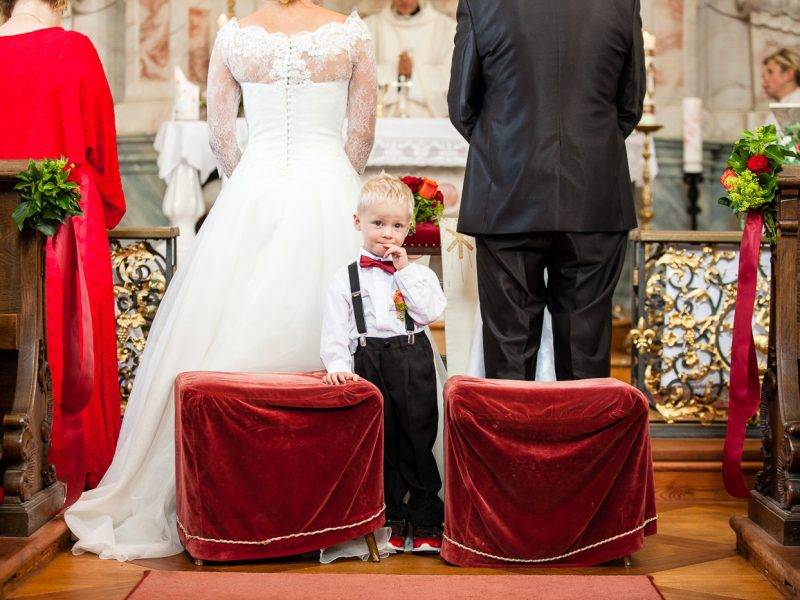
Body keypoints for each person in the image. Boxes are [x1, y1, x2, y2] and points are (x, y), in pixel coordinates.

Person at [65, 0, 377, 561]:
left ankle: (236, 497)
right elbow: (362, 133)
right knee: (353, 335)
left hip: (255, 189)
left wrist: (251, 187)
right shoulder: (350, 34)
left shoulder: (236, 35)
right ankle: (340, 501)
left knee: (224, 332)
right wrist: (335, 180)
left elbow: (220, 136)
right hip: (330, 185)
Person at [449, 0, 644, 381]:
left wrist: (505, 151)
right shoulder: (622, 4)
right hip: (593, 193)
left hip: (507, 194)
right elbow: (630, 103)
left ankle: (511, 441)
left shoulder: (481, 3)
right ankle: (584, 441)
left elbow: (462, 104)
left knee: (508, 348)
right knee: (586, 349)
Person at [0, 0, 126, 505]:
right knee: (72, 343)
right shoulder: (74, 50)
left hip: (2, 233)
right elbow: (102, 154)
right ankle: (74, 470)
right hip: (66, 228)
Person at [321, 173, 446, 552]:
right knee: (384, 440)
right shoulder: (344, 278)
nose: (387, 233)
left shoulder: (418, 274)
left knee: (417, 437)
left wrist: (405, 272)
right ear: (359, 222)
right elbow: (335, 329)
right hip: (368, 360)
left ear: (408, 228)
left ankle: (427, 517)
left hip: (412, 358)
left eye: (396, 226)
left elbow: (430, 313)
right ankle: (392, 514)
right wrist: (338, 364)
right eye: (378, 224)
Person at [366, 0, 455, 117]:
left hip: (428, 118)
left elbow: (452, 75)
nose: (404, 0)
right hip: (384, 117)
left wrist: (414, 71)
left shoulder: (446, 28)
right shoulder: (371, 26)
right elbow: (360, 73)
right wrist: (394, 69)